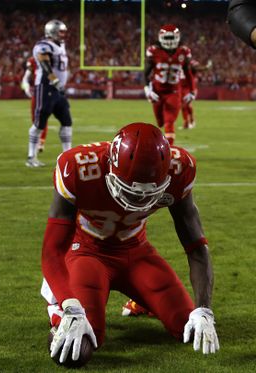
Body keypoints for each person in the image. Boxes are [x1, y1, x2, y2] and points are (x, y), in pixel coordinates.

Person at [41, 123, 219, 366]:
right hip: (87, 253)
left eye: (149, 193)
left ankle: (143, 300)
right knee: (79, 348)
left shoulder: (180, 169)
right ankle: (57, 307)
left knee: (188, 327)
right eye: (132, 192)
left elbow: (197, 246)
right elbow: (52, 252)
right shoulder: (79, 168)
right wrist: (71, 307)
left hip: (137, 253)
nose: (140, 200)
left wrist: (204, 310)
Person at [26, 19, 72, 167]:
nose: (63, 34)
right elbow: (45, 65)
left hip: (58, 90)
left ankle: (68, 156)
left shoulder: (61, 45)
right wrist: (56, 81)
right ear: (52, 32)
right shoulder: (43, 45)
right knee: (39, 124)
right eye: (61, 32)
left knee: (67, 122)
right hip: (46, 88)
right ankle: (31, 157)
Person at [144, 25, 195, 145]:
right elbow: (146, 73)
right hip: (157, 91)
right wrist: (148, 89)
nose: (170, 41)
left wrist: (192, 91)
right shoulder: (154, 51)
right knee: (160, 122)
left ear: (177, 37)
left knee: (169, 122)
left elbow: (188, 73)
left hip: (174, 92)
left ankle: (169, 152)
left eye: (172, 38)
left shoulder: (183, 52)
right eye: (167, 38)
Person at [21, 56, 48, 153]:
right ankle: (39, 142)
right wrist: (26, 87)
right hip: (39, 91)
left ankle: (40, 142)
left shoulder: (50, 59)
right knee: (35, 118)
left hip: (48, 91)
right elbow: (25, 77)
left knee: (43, 117)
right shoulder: (32, 60)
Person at [180, 59, 212, 130]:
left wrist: (206, 67)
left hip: (190, 88)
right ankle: (189, 122)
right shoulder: (178, 62)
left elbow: (196, 68)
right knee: (184, 106)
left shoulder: (191, 63)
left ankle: (188, 123)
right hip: (181, 88)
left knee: (185, 105)